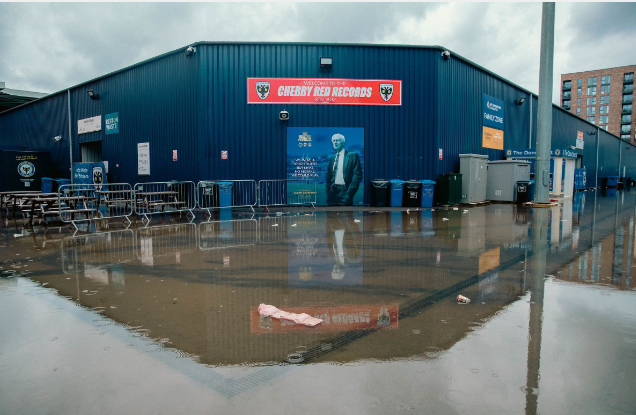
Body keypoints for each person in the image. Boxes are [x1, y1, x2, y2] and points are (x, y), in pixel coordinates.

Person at [326, 133, 362, 206]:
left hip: (345, 192)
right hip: (332, 192)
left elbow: (357, 175)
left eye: (337, 140)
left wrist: (349, 193)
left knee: (346, 215)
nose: (335, 142)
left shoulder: (352, 155)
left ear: (343, 143)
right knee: (331, 215)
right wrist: (329, 189)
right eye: (333, 141)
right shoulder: (333, 158)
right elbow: (329, 175)